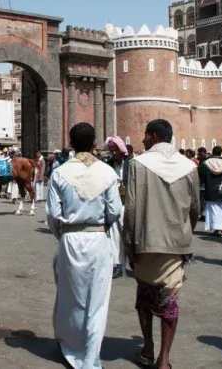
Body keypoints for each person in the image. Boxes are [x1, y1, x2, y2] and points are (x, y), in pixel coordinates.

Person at [124, 119, 199, 369]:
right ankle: (164, 360)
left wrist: (129, 244)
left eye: (145, 135)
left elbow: (131, 208)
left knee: (144, 296)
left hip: (145, 241)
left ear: (154, 137)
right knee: (170, 299)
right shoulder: (188, 166)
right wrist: (185, 232)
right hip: (176, 244)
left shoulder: (138, 164)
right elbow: (195, 207)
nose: (143, 139)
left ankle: (147, 347)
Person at [47, 122, 122, 369]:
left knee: (71, 297)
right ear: (94, 144)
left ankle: (71, 348)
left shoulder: (60, 172)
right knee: (97, 300)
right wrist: (101, 227)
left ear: (70, 143)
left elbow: (52, 214)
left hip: (70, 239)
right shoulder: (107, 172)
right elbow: (115, 211)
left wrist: (64, 235)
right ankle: (91, 358)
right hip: (98, 238)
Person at [105, 136, 129, 279]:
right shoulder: (108, 165)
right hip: (114, 205)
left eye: (116, 150)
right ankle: (118, 264)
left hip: (129, 205)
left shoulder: (132, 165)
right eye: (111, 150)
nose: (113, 153)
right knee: (115, 236)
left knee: (130, 235)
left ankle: (133, 261)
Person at [200, 146, 222, 237]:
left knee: (213, 210)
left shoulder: (206, 163)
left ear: (213, 152)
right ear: (221, 152)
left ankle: (217, 228)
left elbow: (202, 177)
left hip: (210, 188)